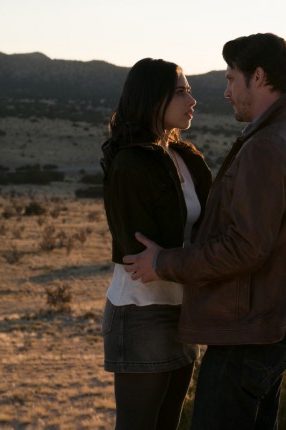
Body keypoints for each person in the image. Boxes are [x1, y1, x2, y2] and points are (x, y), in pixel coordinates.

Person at [123, 34, 286, 429]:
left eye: (232, 78)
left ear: (259, 77)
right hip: (273, 327)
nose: (226, 91)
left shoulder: (268, 145)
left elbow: (244, 247)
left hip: (246, 333)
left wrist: (164, 262)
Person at [99, 58, 212, 430]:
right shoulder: (131, 163)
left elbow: (206, 230)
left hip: (183, 308)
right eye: (180, 92)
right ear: (152, 97)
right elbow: (140, 253)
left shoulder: (185, 158)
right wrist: (194, 259)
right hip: (141, 310)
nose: (191, 100)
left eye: (189, 91)